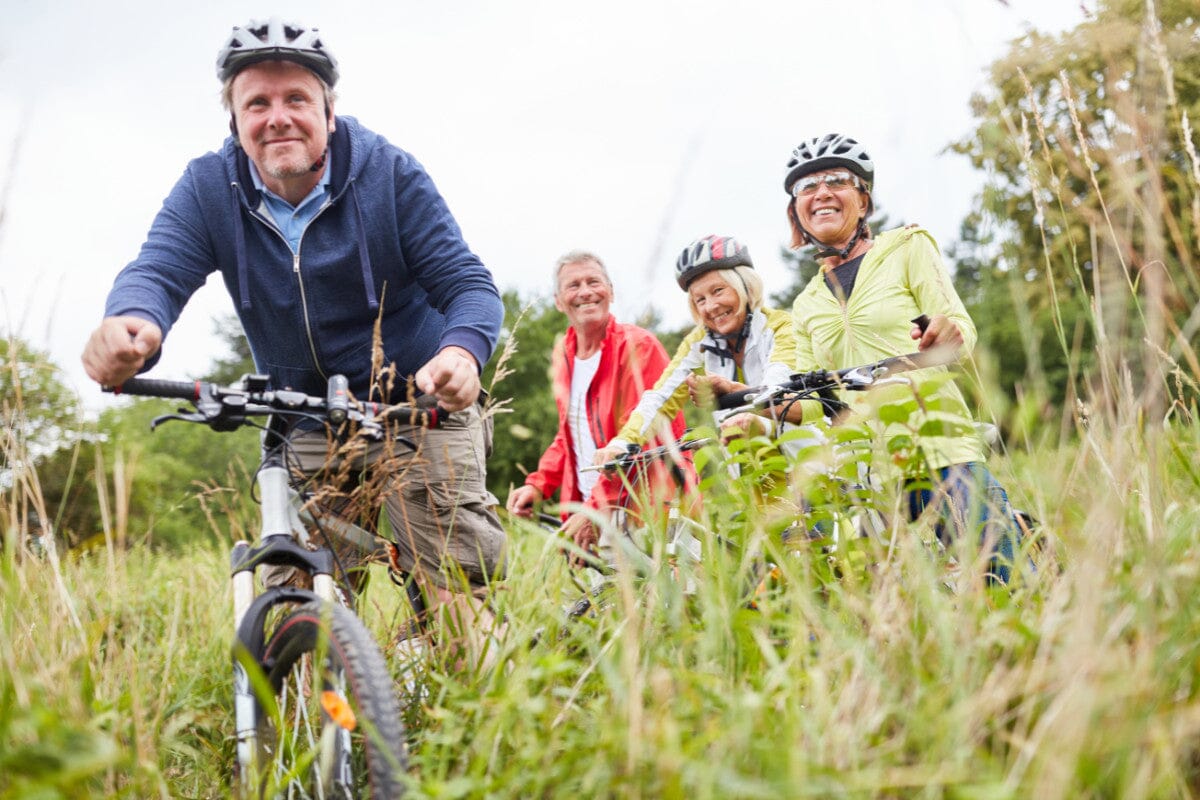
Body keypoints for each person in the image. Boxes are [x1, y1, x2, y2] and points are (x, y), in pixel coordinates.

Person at [80, 17, 506, 654]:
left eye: (296, 99)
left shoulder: (389, 173)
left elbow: (467, 282)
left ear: (329, 113)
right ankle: (313, 737)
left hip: (415, 407)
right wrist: (130, 322)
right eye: (257, 103)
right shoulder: (207, 188)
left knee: (454, 597)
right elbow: (158, 271)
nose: (277, 117)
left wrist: (460, 351)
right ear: (235, 122)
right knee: (297, 601)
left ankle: (479, 730)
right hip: (303, 416)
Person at [781, 132, 1023, 583]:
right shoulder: (806, 303)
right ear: (797, 211)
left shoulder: (907, 246)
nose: (821, 193)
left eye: (837, 180)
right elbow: (816, 396)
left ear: (863, 200)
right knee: (889, 602)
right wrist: (771, 406)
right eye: (806, 187)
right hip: (865, 471)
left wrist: (945, 333)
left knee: (1002, 577)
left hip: (937, 443)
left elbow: (959, 330)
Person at [592, 235, 803, 507]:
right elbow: (660, 397)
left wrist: (755, 420)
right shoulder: (699, 342)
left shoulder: (780, 327)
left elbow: (778, 387)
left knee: (816, 545)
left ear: (744, 287)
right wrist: (622, 442)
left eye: (718, 291)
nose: (711, 306)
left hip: (801, 464)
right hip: (746, 474)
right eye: (699, 299)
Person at [504, 250, 686, 564]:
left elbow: (641, 442)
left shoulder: (638, 346)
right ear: (559, 301)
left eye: (594, 282)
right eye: (573, 285)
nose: (585, 291)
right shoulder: (564, 354)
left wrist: (594, 511)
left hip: (645, 511)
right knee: (606, 611)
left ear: (611, 292)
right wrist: (537, 485)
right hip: (594, 514)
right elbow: (569, 436)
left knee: (658, 608)